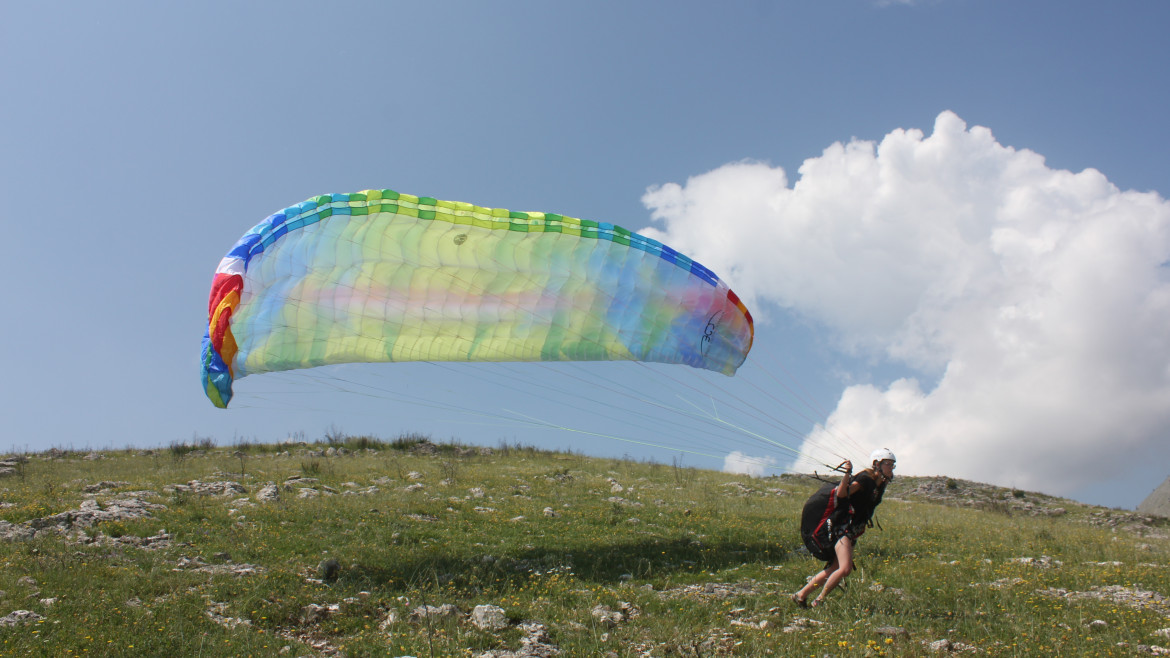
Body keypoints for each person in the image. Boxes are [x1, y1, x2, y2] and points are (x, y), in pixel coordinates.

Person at [792, 448, 896, 607]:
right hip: (841, 527)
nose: (891, 467)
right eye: (888, 464)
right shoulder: (865, 479)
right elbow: (841, 494)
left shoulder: (879, 486)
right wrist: (847, 473)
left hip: (852, 529)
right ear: (877, 464)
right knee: (845, 568)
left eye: (892, 465)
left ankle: (800, 595)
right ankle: (819, 601)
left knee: (835, 567)